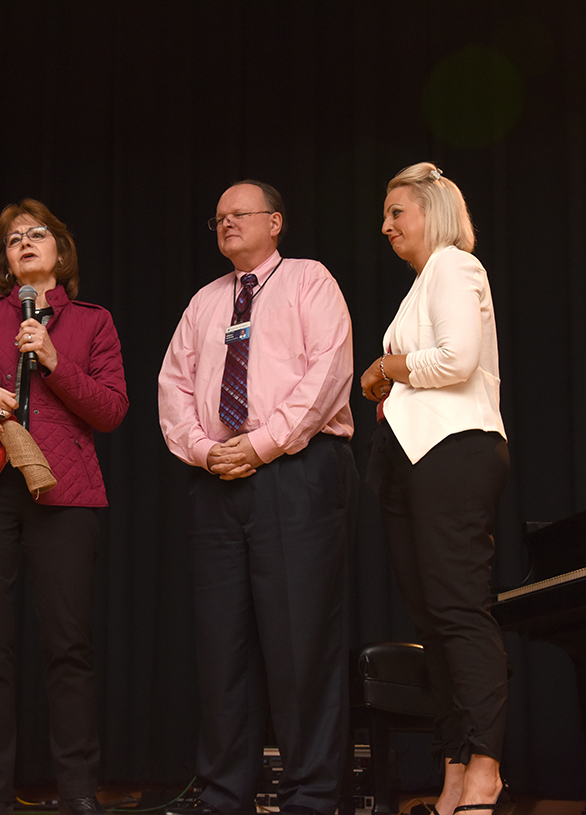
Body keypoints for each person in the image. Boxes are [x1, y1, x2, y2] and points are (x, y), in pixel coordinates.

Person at [158, 181, 358, 815]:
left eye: (238, 215)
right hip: (217, 478)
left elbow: (328, 371)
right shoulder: (205, 301)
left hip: (296, 471)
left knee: (300, 640)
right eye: (217, 218)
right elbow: (174, 383)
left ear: (275, 221)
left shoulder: (309, 280)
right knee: (222, 645)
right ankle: (224, 794)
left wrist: (265, 443)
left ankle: (312, 796)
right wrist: (200, 448)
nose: (225, 225)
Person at [0, 199, 128, 815]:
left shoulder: (92, 321)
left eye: (37, 235)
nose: (25, 243)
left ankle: (78, 790)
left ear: (60, 252)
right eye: (14, 239)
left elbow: (111, 411)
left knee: (69, 645)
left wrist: (54, 360)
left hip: (62, 493)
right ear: (4, 260)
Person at [360, 163, 510, 815]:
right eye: (385, 215)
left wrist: (389, 368)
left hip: (454, 452)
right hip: (411, 459)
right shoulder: (422, 286)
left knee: (458, 612)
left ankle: (485, 765)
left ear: (433, 211)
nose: (386, 224)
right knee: (433, 620)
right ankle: (453, 763)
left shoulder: (454, 265)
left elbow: (457, 359)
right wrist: (389, 391)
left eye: (398, 211)